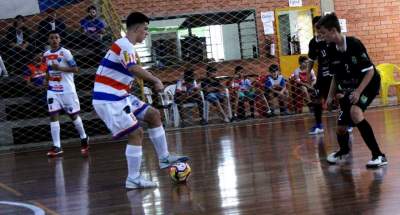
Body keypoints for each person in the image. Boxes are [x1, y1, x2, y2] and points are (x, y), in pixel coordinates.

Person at [92, 12, 189, 189]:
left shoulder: (126, 47)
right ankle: (133, 179)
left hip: (121, 96)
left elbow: (132, 70)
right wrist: (156, 80)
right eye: (145, 29)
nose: (147, 33)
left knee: (153, 114)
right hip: (109, 99)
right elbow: (134, 68)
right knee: (136, 133)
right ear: (136, 28)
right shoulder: (124, 45)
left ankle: (164, 157)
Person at [316, 13, 387, 168]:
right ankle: (343, 150)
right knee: (341, 128)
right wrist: (329, 97)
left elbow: (370, 72)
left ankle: (379, 156)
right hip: (351, 87)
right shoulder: (330, 49)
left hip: (368, 83)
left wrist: (358, 92)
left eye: (323, 33)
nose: (321, 37)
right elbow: (335, 76)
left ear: (333, 30)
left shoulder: (354, 44)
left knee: (356, 112)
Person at [44, 31, 89, 157]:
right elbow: (48, 69)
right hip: (53, 90)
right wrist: (46, 79)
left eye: (56, 37)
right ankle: (57, 146)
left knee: (73, 116)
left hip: (67, 90)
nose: (54, 40)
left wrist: (60, 69)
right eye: (51, 38)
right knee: (53, 116)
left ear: (60, 39)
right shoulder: (46, 54)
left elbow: (76, 69)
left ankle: (84, 137)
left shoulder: (65, 52)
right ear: (48, 40)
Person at [307, 16, 333, 135]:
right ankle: (319, 125)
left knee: (339, 96)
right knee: (317, 99)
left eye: (321, 26)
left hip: (334, 74)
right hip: (322, 75)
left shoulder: (331, 38)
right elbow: (311, 59)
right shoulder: (313, 42)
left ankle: (347, 123)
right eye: (316, 26)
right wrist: (308, 72)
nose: (319, 29)